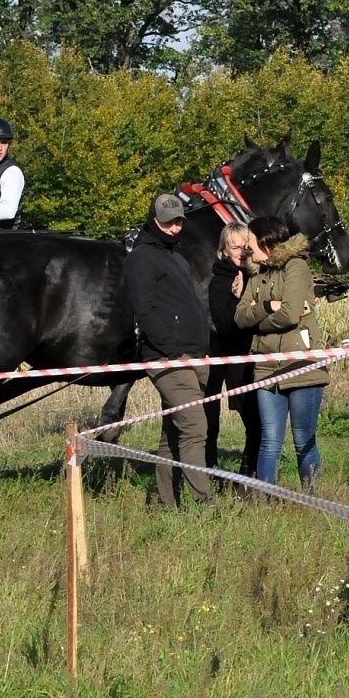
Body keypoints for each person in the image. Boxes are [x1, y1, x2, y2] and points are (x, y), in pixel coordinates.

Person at [124, 193, 214, 508]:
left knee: (172, 437)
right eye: (168, 222)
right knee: (195, 428)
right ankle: (205, 504)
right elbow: (144, 310)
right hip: (169, 360)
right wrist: (171, 350)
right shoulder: (141, 257)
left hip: (194, 357)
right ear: (154, 220)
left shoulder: (175, 256)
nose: (175, 228)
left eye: (178, 221)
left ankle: (164, 502)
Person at [236, 215, 328, 494]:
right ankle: (265, 504)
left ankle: (313, 500)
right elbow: (240, 317)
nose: (247, 248)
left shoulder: (296, 267)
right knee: (269, 440)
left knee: (303, 440)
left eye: (250, 241)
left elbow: (289, 314)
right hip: (266, 368)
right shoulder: (257, 275)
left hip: (302, 366)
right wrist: (267, 305)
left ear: (266, 240)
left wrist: (259, 321)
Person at [206, 222, 263, 479]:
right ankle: (210, 471)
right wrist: (239, 300)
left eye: (244, 245)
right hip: (228, 356)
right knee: (211, 420)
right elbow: (226, 326)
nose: (240, 251)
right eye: (234, 246)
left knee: (256, 422)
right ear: (224, 251)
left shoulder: (259, 276)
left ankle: (247, 475)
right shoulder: (219, 282)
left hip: (254, 357)